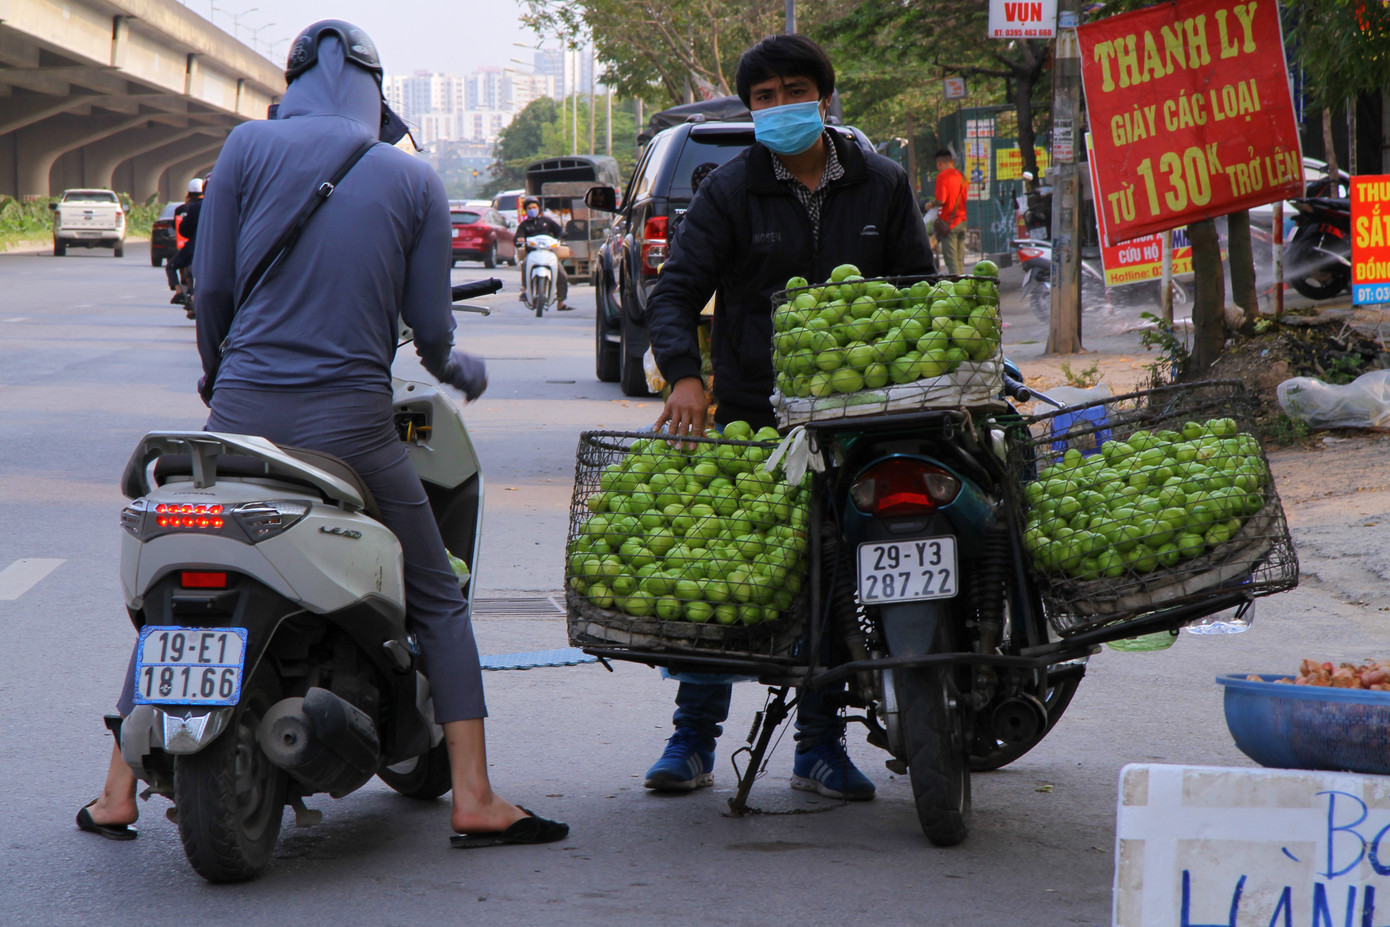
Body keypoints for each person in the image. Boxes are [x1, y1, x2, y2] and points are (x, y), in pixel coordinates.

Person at [77, 20, 567, 850]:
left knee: (173, 602)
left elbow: (215, 288)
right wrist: (461, 371)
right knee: (440, 599)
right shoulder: (413, 180)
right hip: (352, 429)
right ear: (374, 91)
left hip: (236, 419)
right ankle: (475, 795)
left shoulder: (243, 149)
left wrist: (219, 377)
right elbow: (431, 330)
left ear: (294, 80)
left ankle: (116, 790)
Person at [642, 34, 933, 800]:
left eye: (793, 91)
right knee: (729, 576)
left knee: (834, 573)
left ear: (825, 99)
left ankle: (820, 746)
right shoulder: (728, 190)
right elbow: (673, 294)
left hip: (861, 418)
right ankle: (693, 737)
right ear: (750, 109)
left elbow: (919, 294)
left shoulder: (883, 184)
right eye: (763, 98)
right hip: (751, 416)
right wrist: (683, 376)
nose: (779, 108)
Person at [513, 197, 571, 310]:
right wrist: (519, 240)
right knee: (525, 264)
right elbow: (517, 238)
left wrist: (559, 238)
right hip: (532, 254)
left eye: (534, 207)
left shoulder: (547, 221)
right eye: (529, 208)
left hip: (549, 254)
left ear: (539, 208)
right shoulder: (524, 225)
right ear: (525, 210)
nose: (532, 210)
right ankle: (525, 290)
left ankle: (561, 302)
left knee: (562, 275)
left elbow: (559, 231)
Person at [167, 177, 204, 317]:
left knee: (172, 266)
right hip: (210, 248)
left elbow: (179, 229)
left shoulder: (183, 209)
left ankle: (179, 291)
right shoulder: (213, 204)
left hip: (190, 246)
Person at [932, 148, 968, 275]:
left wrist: (930, 204)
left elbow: (941, 200)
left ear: (940, 163)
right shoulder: (962, 177)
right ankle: (964, 286)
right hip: (962, 222)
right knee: (959, 260)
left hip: (949, 224)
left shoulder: (942, 177)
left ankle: (958, 290)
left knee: (951, 261)